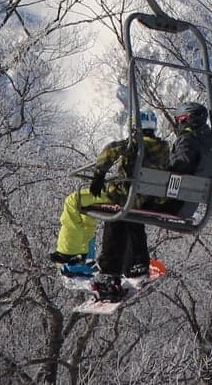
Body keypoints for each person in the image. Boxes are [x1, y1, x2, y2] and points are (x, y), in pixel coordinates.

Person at [53, 112, 170, 300]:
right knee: (127, 218)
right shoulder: (164, 148)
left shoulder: (133, 145)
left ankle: (71, 255)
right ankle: (135, 265)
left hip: (122, 197)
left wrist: (99, 175)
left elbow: (110, 150)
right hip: (146, 200)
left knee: (75, 201)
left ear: (134, 128)